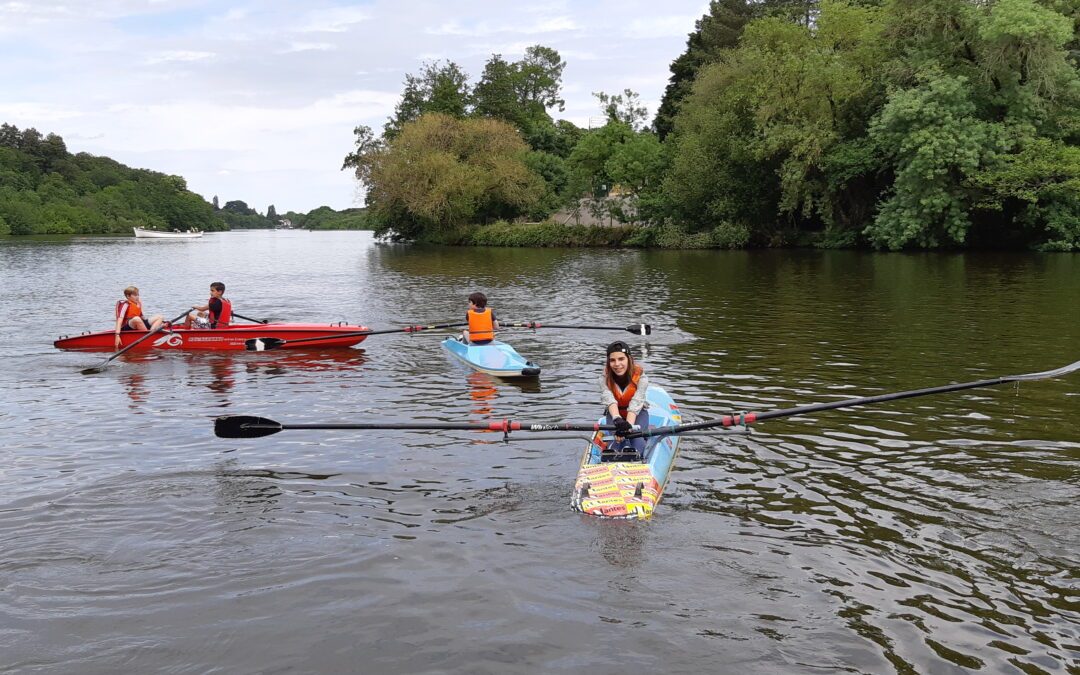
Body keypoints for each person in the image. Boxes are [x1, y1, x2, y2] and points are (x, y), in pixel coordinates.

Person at [600, 340, 650, 461]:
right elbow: (609, 399)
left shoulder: (641, 378)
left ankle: (639, 458)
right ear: (608, 362)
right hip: (614, 415)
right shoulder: (604, 377)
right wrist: (617, 420)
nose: (617, 364)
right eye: (612, 360)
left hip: (637, 414)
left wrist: (627, 428)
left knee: (635, 439)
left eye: (621, 359)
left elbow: (636, 402)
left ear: (629, 359)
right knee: (615, 443)